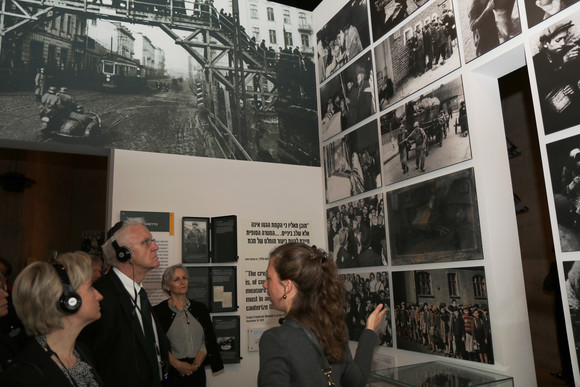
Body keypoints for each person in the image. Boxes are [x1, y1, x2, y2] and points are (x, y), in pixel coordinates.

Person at [258, 243, 386, 386]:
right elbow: (357, 381)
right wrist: (369, 331)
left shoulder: (275, 340)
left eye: (269, 278)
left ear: (287, 286)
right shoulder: (333, 329)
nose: (264, 284)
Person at [79, 218, 169, 387]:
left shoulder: (139, 294)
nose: (155, 247)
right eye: (146, 242)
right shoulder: (100, 296)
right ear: (123, 253)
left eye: (153, 241)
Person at [0, 252, 104, 386]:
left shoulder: (81, 352)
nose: (99, 295)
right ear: (68, 300)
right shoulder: (25, 375)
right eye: (91, 287)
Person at [154, 265, 223, 386]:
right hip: (173, 372)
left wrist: (195, 365)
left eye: (184, 278)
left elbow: (207, 340)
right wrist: (178, 365)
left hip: (197, 371)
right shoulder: (158, 312)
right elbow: (156, 344)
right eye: (176, 279)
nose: (182, 282)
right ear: (166, 286)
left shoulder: (200, 309)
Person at [533, 20, 580, 134]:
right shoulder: (536, 62)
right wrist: (563, 62)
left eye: (565, 38)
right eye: (558, 40)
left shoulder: (570, 51)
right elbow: (541, 86)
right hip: (553, 117)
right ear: (545, 44)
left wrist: (575, 85)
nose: (563, 43)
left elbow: (575, 75)